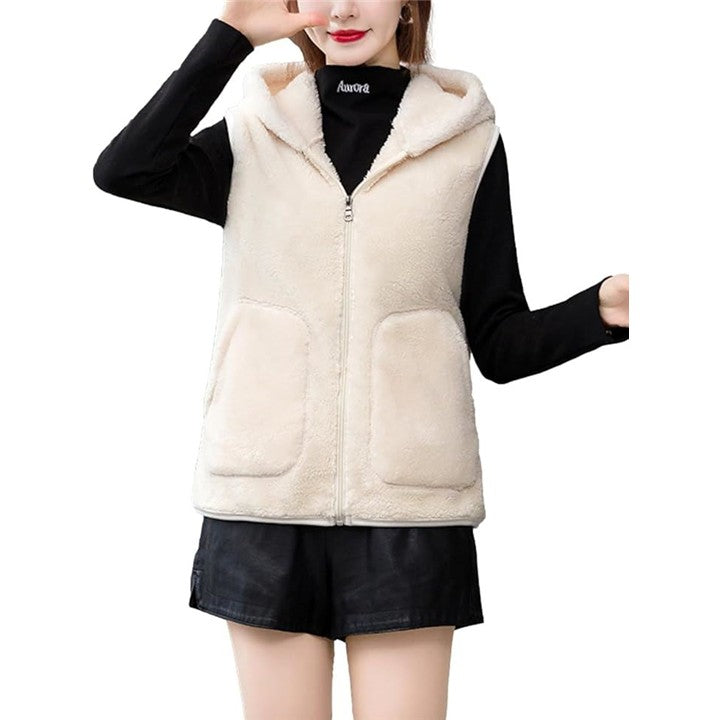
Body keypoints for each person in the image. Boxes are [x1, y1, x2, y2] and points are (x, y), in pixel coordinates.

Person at [93, 1, 630, 718]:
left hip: (410, 508)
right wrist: (231, 38)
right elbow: (125, 169)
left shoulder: (464, 138)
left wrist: (603, 310)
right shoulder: (257, 131)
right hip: (264, 502)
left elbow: (498, 342)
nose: (343, 7)